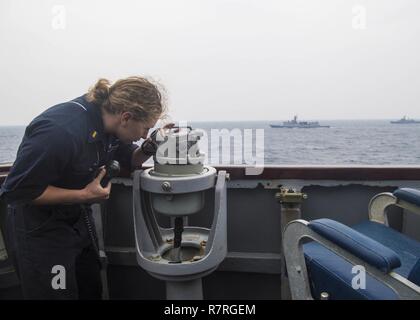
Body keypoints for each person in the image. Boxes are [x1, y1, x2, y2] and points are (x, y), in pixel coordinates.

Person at [0, 76, 171, 299]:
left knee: (90, 290)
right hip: (42, 233)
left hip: (78, 222)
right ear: (126, 117)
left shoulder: (110, 125)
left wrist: (151, 145)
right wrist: (84, 195)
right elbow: (17, 191)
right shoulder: (60, 131)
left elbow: (131, 160)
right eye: (146, 129)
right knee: (58, 295)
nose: (144, 135)